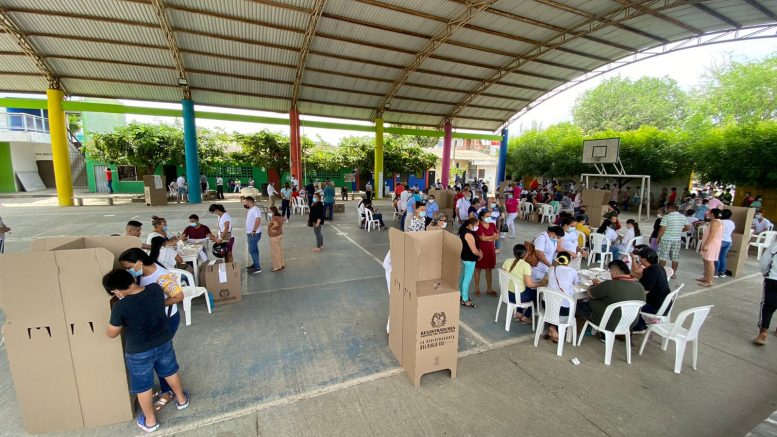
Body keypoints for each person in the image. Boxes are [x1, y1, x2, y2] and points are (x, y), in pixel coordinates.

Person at [102, 269, 188, 433]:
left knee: (143, 386)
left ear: (116, 291)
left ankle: (150, 421)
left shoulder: (120, 307)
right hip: (163, 341)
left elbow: (112, 333)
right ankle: (182, 400)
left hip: (139, 352)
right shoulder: (155, 289)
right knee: (170, 371)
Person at [117, 248, 185, 415]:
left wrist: (153, 306)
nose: (128, 270)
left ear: (139, 262)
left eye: (128, 266)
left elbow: (179, 296)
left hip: (166, 320)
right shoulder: (140, 275)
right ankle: (168, 390)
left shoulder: (161, 276)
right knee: (158, 357)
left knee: (161, 357)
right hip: (152, 321)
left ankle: (166, 392)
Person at [576, 260, 645, 332]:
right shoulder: (640, 286)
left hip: (609, 322)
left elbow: (590, 294)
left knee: (580, 305)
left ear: (614, 272)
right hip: (630, 324)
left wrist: (593, 286)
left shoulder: (610, 284)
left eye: (610, 272)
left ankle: (575, 332)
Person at [630, 247, 670, 333]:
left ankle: (639, 326)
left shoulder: (651, 272)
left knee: (630, 302)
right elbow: (642, 277)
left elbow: (643, 292)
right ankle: (639, 324)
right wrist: (629, 273)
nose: (638, 259)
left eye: (639, 257)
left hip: (656, 307)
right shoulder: (657, 267)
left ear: (644, 259)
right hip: (663, 302)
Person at [547, 251, 579, 341]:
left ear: (557, 260)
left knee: (556, 305)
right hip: (563, 309)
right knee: (571, 305)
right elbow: (576, 283)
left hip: (547, 305)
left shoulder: (551, 269)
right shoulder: (572, 271)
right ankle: (557, 328)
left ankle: (552, 326)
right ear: (568, 262)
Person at [657, 203, 690, 279]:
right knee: (675, 258)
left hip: (666, 239)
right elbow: (688, 227)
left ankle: (661, 273)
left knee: (663, 257)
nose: (666, 210)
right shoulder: (682, 217)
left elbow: (662, 229)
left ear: (670, 208)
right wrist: (680, 230)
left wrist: (658, 237)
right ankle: (673, 274)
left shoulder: (666, 217)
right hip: (677, 240)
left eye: (667, 208)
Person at [754, 240, 777, 345]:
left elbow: (764, 262)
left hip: (773, 279)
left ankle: (763, 332)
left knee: (767, 306)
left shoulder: (775, 245)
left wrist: (764, 273)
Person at [474, 210, 498, 297]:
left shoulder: (492, 224)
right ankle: (477, 288)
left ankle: (489, 289)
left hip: (490, 250)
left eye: (490, 216)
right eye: (487, 216)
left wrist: (488, 238)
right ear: (481, 217)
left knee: (489, 269)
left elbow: (497, 236)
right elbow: (482, 238)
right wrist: (492, 237)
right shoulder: (478, 225)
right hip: (481, 250)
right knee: (478, 269)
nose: (489, 218)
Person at [458, 217, 481, 308]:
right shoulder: (468, 234)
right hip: (470, 259)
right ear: (471, 224)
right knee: (467, 279)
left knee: (463, 277)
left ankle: (460, 294)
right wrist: (480, 254)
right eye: (476, 225)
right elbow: (474, 250)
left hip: (465, 258)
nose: (477, 227)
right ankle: (465, 299)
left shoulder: (464, 230)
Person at [698, 208, 723, 287]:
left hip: (712, 244)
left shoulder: (716, 222)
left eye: (709, 212)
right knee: (706, 260)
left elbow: (712, 235)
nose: (707, 214)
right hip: (709, 243)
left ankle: (709, 281)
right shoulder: (713, 221)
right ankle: (706, 277)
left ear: (712, 214)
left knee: (710, 261)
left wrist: (706, 245)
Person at [243, 196, 263, 274]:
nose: (245, 203)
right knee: (255, 250)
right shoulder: (252, 209)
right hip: (251, 233)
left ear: (249, 201)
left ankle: (257, 268)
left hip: (254, 233)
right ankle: (255, 264)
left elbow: (258, 220)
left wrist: (254, 230)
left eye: (245, 202)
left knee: (252, 250)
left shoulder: (255, 209)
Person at [717, 209, 736, 278]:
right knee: (722, 257)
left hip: (720, 241)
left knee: (716, 257)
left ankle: (715, 272)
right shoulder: (732, 223)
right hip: (728, 241)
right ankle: (722, 272)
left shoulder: (720, 222)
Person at [267, 206, 285, 272]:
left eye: (269, 211)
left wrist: (272, 229)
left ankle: (277, 266)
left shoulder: (274, 218)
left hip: (274, 237)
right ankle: (281, 264)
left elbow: (276, 225)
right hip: (279, 235)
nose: (268, 212)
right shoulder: (279, 216)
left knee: (275, 252)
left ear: (272, 211)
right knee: (279, 250)